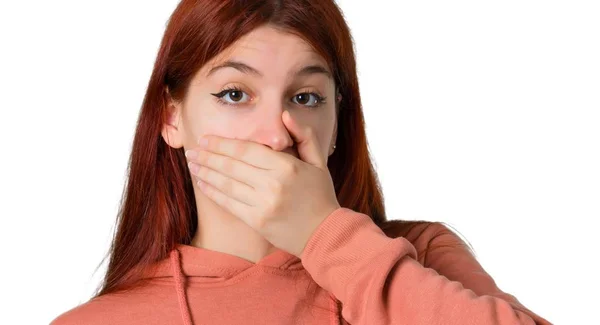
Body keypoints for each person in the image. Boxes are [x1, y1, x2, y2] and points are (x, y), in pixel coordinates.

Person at [50, 1, 552, 324]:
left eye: (307, 98)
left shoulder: (417, 257)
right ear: (171, 118)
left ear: (337, 126)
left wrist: (325, 234)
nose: (275, 134)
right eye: (234, 93)